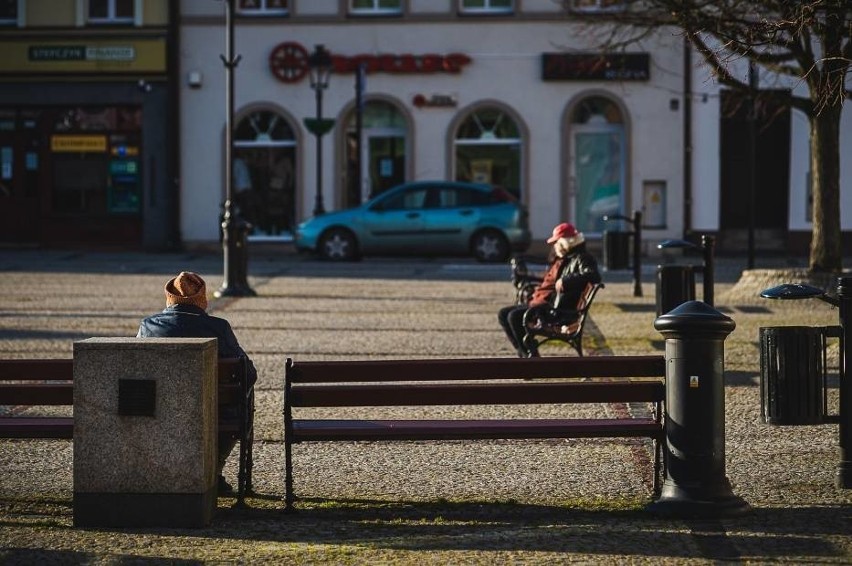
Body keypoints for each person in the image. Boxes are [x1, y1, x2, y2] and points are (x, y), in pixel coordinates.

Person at [136, 271, 258, 494]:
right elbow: (248, 374)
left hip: (160, 411)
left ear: (169, 298)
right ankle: (214, 471)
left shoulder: (148, 326)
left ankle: (166, 472)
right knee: (241, 401)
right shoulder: (218, 327)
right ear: (202, 299)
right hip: (214, 413)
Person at [498, 223, 601, 357]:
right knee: (503, 314)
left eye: (556, 242)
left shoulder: (582, 258)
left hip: (556, 312)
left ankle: (530, 357)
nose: (554, 246)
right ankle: (527, 352)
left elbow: (594, 275)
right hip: (546, 304)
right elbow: (550, 281)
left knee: (514, 317)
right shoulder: (567, 257)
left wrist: (565, 281)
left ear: (565, 242)